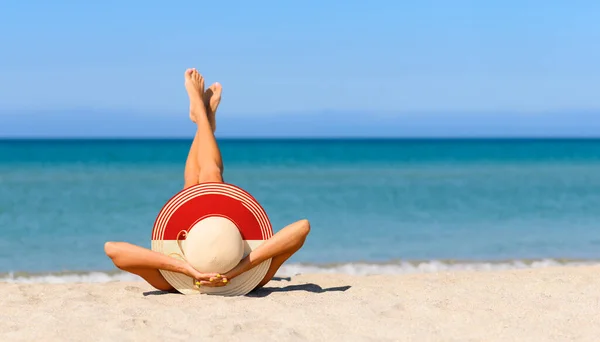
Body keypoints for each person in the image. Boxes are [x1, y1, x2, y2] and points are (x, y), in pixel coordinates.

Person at [104, 68, 310, 292]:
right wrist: (239, 270)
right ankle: (203, 118)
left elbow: (113, 249)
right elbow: (302, 228)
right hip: (236, 267)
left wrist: (185, 270)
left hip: (189, 266)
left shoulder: (169, 282)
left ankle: (202, 117)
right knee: (210, 175)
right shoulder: (255, 279)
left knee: (194, 182)